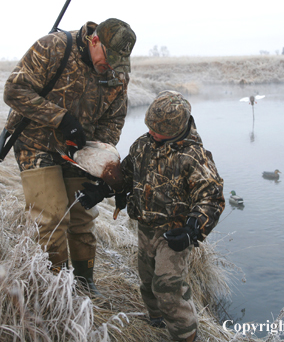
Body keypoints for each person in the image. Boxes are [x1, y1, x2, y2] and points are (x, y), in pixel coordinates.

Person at [3, 18, 136, 297]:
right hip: (36, 143)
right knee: (51, 216)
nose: (110, 67)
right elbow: (14, 90)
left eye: (118, 62)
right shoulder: (53, 47)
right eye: (107, 59)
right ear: (94, 40)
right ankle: (56, 288)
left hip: (79, 150)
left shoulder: (117, 71)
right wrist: (60, 119)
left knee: (82, 216)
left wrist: (96, 158)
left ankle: (85, 285)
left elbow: (113, 120)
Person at [79, 90, 225, 342]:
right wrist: (100, 191)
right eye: (150, 126)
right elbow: (124, 176)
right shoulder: (142, 145)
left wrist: (192, 230)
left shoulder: (194, 157)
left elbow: (211, 198)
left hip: (173, 234)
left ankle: (185, 334)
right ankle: (156, 321)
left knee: (167, 287)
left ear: (176, 129)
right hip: (145, 228)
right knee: (147, 282)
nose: (151, 132)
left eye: (158, 129)